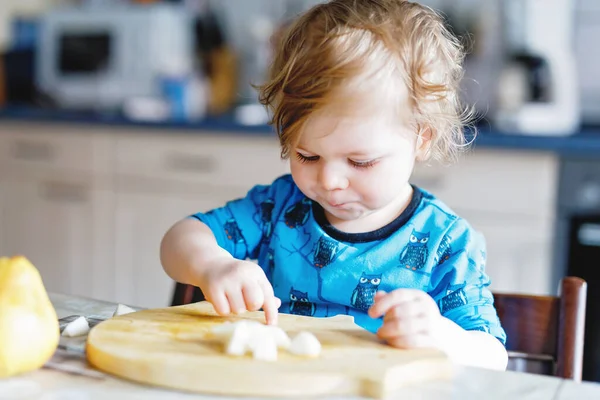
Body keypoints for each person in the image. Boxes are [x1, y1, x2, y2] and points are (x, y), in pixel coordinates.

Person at [160, 0, 508, 370]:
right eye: (307, 156)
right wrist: (212, 266)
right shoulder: (279, 207)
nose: (329, 181)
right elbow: (179, 239)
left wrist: (440, 335)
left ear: (421, 138)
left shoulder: (446, 242)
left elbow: (493, 357)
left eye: (360, 162)